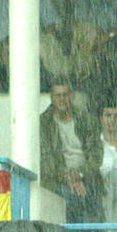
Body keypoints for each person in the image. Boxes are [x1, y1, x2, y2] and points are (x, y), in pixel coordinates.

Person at [39, 81, 102, 223]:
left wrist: (79, 173)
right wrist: (68, 176)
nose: (62, 99)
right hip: (57, 179)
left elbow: (96, 155)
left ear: (72, 96)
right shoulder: (44, 123)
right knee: (72, 194)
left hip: (86, 175)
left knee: (92, 189)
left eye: (65, 95)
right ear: (51, 98)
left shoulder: (86, 119)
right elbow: (46, 160)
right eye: (58, 95)